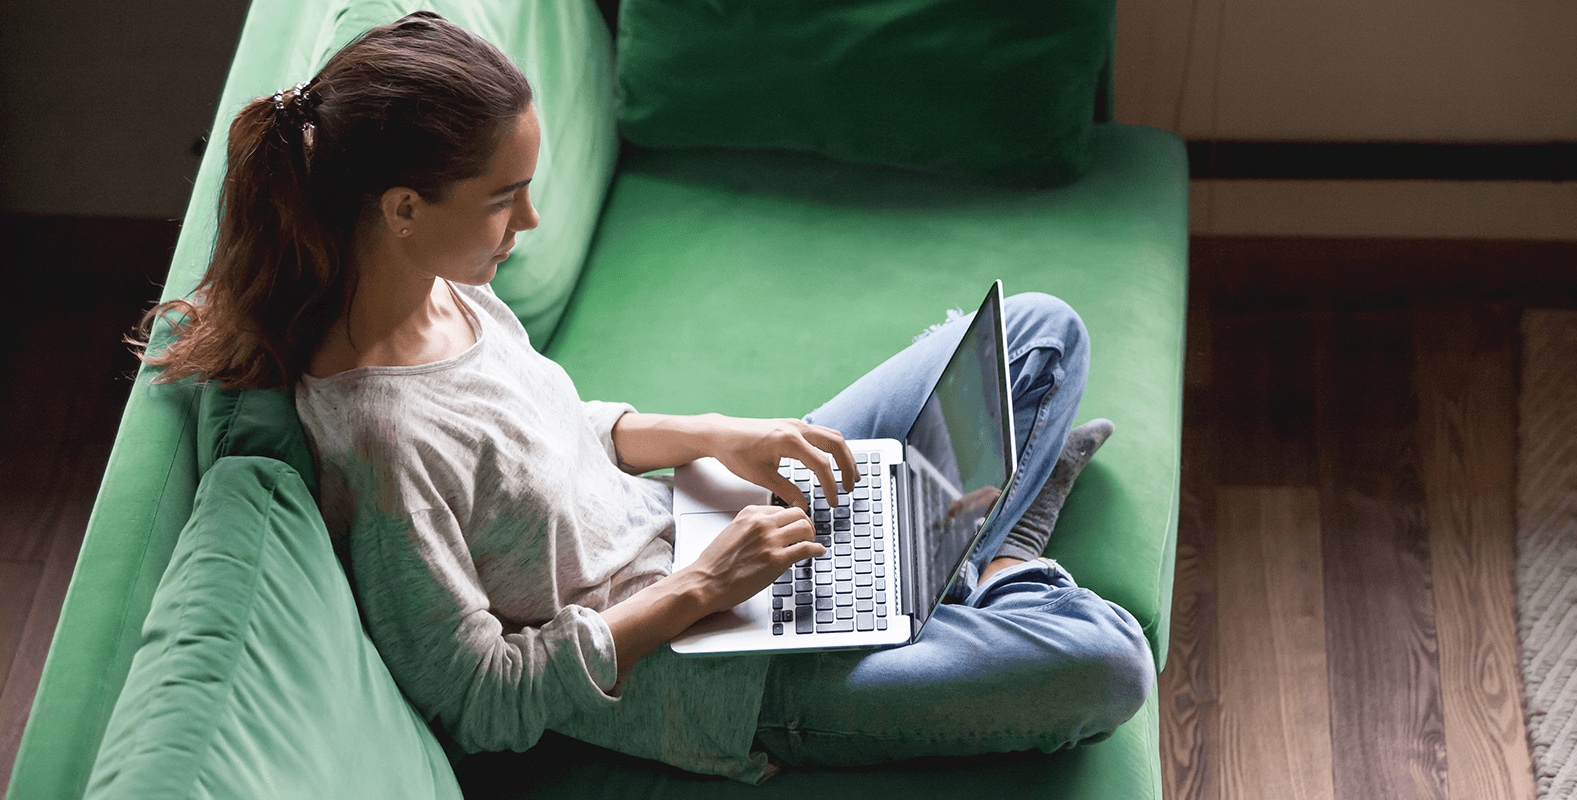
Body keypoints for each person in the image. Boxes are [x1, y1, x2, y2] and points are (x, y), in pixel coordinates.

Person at [127, 10, 1153, 786]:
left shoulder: (446, 294)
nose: (527, 217)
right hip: (714, 670)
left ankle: (943, 549)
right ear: (402, 209)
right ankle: (1001, 552)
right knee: (1106, 664)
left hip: (711, 520)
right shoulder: (381, 445)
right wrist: (707, 587)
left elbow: (551, 435)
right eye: (501, 197)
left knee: (1041, 333)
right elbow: (481, 693)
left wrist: (728, 437)